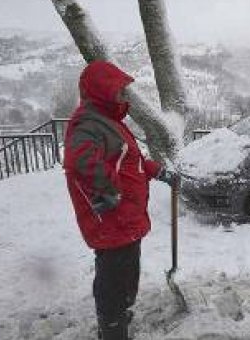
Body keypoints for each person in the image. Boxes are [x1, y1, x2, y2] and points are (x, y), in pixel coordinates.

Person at [63, 60, 177, 339]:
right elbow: (81, 161)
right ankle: (112, 326)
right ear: (101, 91)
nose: (124, 96)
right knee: (113, 277)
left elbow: (130, 160)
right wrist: (107, 191)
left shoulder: (110, 122)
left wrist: (158, 171)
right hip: (111, 218)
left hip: (127, 217)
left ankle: (121, 310)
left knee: (128, 271)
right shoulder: (88, 124)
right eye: (119, 90)